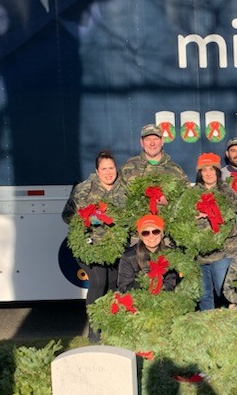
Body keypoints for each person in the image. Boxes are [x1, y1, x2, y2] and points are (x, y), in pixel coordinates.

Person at [62, 150, 128, 340]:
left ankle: (112, 323)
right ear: (97, 171)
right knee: (99, 282)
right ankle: (94, 327)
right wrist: (86, 219)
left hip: (115, 246)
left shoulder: (123, 189)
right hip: (90, 246)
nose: (109, 172)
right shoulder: (84, 189)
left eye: (111, 168)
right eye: (104, 169)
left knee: (114, 283)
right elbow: (66, 215)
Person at [193, 152, 237, 310]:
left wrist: (213, 216)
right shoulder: (191, 196)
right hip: (200, 255)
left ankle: (228, 327)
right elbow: (183, 221)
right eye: (204, 170)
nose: (208, 173)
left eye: (212, 169)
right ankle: (208, 328)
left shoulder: (228, 194)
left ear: (218, 171)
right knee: (204, 294)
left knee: (223, 291)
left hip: (224, 252)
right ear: (199, 173)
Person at [117, 214, 178, 292]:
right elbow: (123, 288)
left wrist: (158, 285)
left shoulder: (170, 255)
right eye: (145, 233)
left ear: (161, 234)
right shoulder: (129, 256)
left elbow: (170, 285)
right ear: (141, 237)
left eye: (155, 232)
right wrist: (143, 280)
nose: (151, 236)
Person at [121, 123, 188, 184]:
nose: (152, 143)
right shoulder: (128, 168)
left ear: (162, 141)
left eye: (155, 139)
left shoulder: (176, 170)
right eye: (148, 139)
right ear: (141, 142)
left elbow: (187, 194)